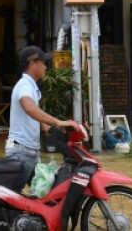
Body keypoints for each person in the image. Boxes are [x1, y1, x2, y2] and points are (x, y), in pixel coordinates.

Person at [5, 45, 80, 191]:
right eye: (43, 63)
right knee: (13, 196)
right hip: (22, 152)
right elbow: (28, 107)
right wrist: (58, 122)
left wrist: (46, 126)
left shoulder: (30, 85)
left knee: (43, 192)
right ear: (32, 64)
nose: (46, 67)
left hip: (29, 151)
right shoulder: (25, 86)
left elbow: (33, 110)